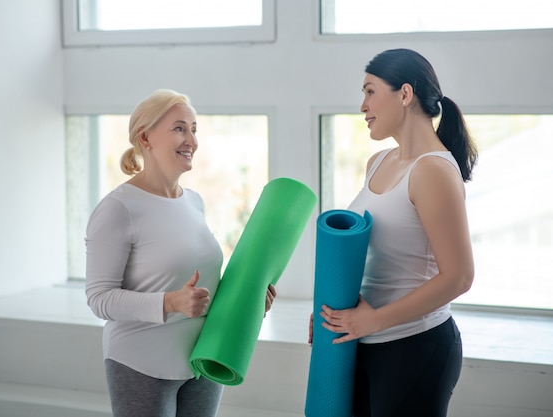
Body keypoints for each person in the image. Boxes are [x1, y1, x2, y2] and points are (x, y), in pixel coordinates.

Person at [85, 89, 277, 417]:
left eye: (194, 129)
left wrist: (247, 302)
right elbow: (99, 299)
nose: (192, 139)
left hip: (202, 360)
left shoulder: (194, 202)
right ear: (145, 137)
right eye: (179, 128)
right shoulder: (118, 208)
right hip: (141, 363)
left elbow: (201, 288)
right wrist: (170, 302)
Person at [309, 48, 477, 417]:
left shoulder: (432, 171)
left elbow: (459, 277)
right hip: (361, 342)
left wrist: (372, 320)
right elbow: (369, 258)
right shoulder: (379, 162)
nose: (362, 105)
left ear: (404, 94)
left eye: (370, 91)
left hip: (413, 347)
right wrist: (331, 312)